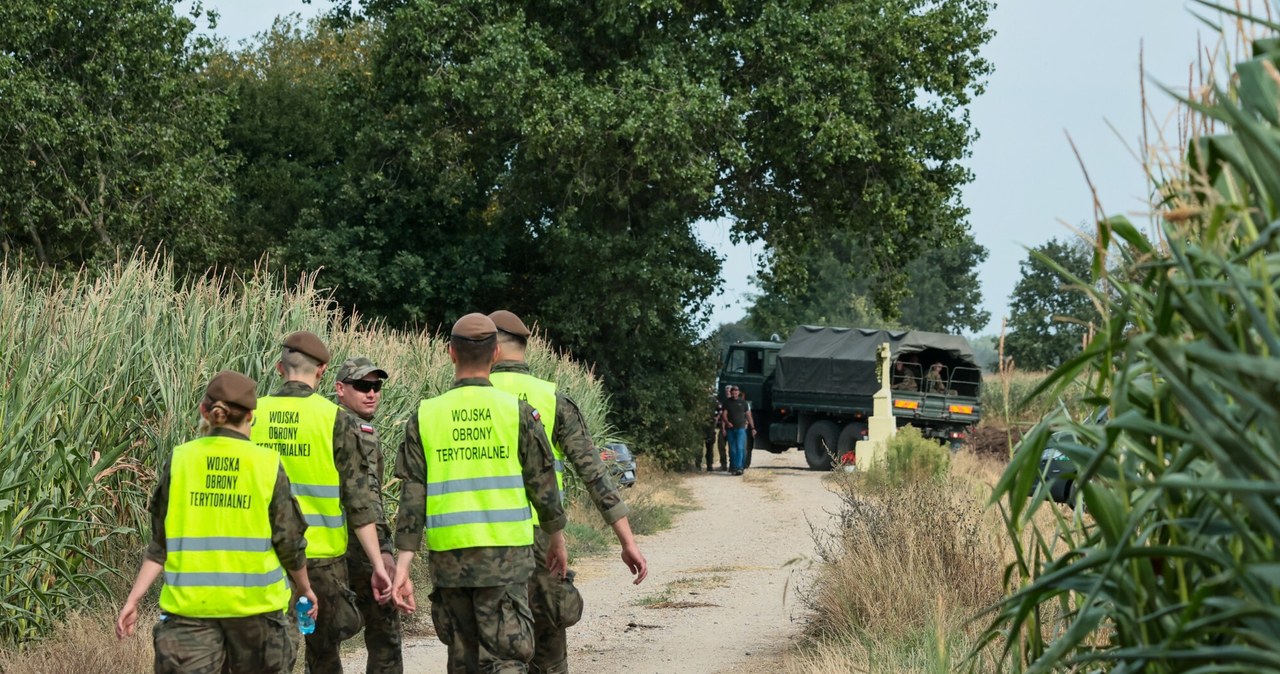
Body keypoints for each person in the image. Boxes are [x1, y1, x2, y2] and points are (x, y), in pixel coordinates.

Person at [390, 313, 568, 673]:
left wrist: (402, 567)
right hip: (506, 561)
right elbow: (543, 486)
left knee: (462, 660)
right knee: (506, 658)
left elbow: (412, 499)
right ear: (496, 354)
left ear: (451, 353)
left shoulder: (425, 416)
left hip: (449, 562)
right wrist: (557, 540)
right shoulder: (518, 414)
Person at [116, 370, 317, 674]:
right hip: (258, 615)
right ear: (251, 415)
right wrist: (304, 588)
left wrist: (134, 599)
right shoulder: (266, 464)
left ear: (204, 411)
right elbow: (288, 541)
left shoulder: (181, 459)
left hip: (189, 616)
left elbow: (160, 542)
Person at [488, 309, 649, 674]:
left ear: (490, 348)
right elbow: (596, 475)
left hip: (483, 539)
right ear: (524, 349)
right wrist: (627, 541)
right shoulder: (551, 398)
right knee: (549, 642)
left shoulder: (468, 400)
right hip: (544, 540)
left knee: (491, 646)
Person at [251, 331, 393, 674]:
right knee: (323, 654)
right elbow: (359, 502)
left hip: (260, 555)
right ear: (323, 370)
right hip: (322, 560)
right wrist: (377, 563)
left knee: (270, 654)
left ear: (279, 368)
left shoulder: (253, 415)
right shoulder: (335, 419)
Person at [333, 356, 403, 673]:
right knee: (385, 633)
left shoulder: (357, 428)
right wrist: (384, 553)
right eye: (362, 386)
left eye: (376, 386)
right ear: (340, 389)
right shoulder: (348, 428)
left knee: (323, 640)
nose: (371, 393)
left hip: (334, 547)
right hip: (354, 546)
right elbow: (366, 497)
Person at [723, 385, 755, 475]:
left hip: (741, 428)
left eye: (736, 392)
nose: (734, 393)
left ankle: (739, 467)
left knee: (740, 448)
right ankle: (733, 466)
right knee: (732, 449)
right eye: (733, 392)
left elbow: (748, 415)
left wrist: (752, 427)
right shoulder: (727, 403)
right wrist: (727, 422)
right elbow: (724, 415)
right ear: (731, 393)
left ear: (738, 392)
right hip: (730, 429)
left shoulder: (744, 403)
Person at [703, 386, 723, 472]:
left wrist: (717, 418)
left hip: (710, 425)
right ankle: (697, 463)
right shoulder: (700, 400)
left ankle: (709, 465)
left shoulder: (714, 401)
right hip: (701, 424)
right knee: (699, 447)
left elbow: (720, 410)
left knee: (710, 446)